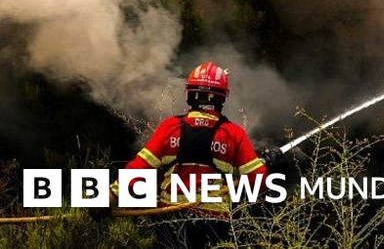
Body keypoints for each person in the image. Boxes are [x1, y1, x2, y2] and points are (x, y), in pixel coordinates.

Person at [112, 61, 281, 248]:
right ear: (223, 97)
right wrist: (266, 163)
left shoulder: (170, 128)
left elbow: (137, 171)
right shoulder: (233, 134)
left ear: (189, 93)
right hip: (215, 225)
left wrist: (110, 197)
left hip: (171, 221)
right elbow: (258, 182)